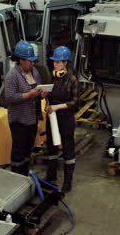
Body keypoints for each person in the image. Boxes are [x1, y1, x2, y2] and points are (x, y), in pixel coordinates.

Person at [5, 41, 44, 176]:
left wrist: (42, 94)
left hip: (32, 119)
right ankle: (16, 176)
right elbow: (10, 98)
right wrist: (30, 94)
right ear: (21, 60)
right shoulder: (12, 76)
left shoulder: (35, 72)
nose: (32, 64)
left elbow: (39, 88)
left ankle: (25, 173)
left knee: (28, 149)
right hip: (18, 121)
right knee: (18, 151)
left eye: (33, 61)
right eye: (30, 61)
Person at [45, 46, 79, 193]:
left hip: (66, 119)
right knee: (51, 147)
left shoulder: (72, 79)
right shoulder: (53, 77)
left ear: (65, 63)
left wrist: (57, 107)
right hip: (52, 118)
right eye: (54, 62)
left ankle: (67, 182)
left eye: (59, 62)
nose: (56, 64)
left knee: (67, 149)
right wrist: (46, 102)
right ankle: (51, 176)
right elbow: (49, 96)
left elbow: (75, 102)